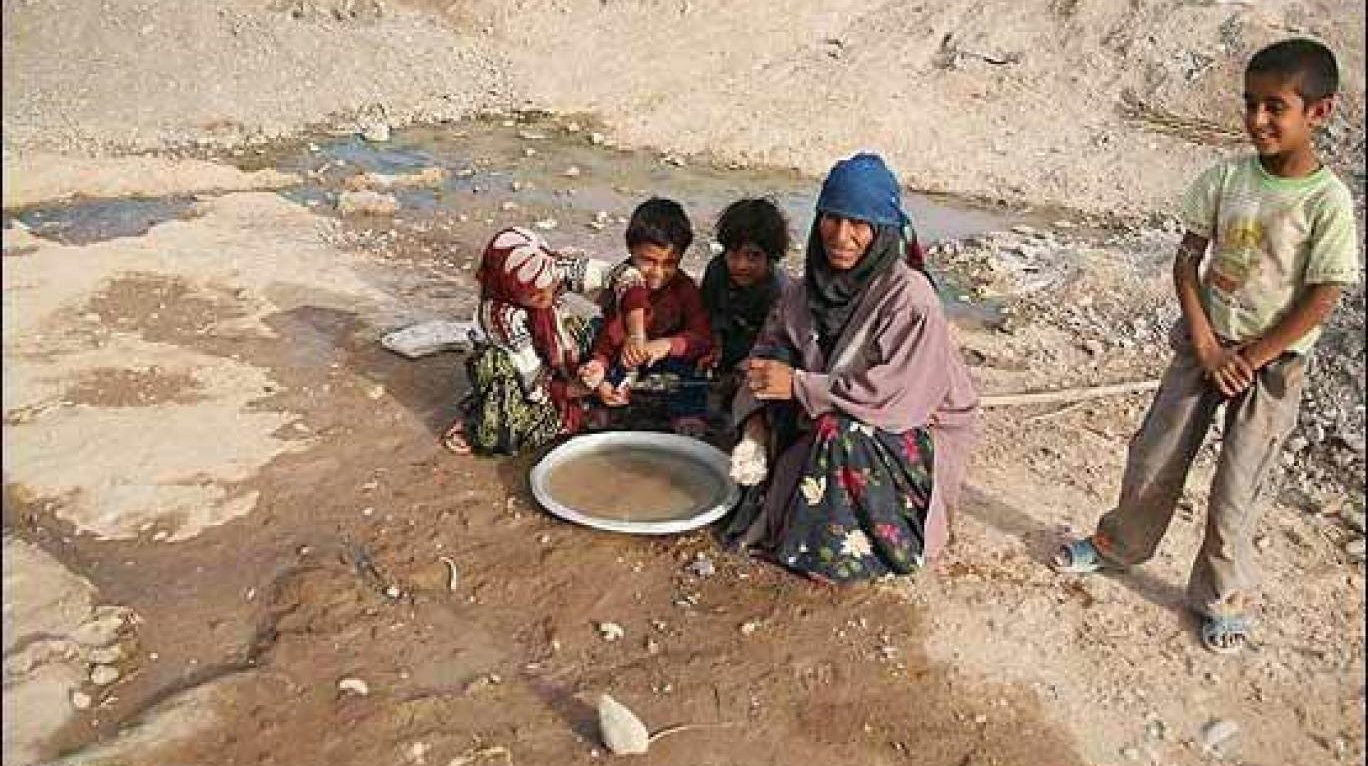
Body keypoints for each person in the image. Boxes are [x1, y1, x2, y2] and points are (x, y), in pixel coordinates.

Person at [1052, 39, 1360, 655]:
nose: (1258, 120)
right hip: (1204, 348)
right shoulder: (1225, 178)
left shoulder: (1328, 202)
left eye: (1276, 106)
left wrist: (1255, 356)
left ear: (1318, 114)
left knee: (1238, 487)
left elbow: (1324, 294)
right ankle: (1119, 545)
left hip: (1273, 365)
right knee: (1155, 456)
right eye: (1250, 104)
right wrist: (1204, 340)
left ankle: (1220, 598)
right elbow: (1188, 258)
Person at [724, 153, 981, 581]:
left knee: (843, 434)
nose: (841, 237)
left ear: (882, 232)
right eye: (833, 219)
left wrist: (802, 386)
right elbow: (773, 344)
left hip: (906, 430)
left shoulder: (910, 300)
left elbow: (897, 404)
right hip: (838, 406)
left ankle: (864, 548)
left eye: (858, 224)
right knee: (763, 384)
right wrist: (771, 378)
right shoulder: (806, 291)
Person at [442, 226, 638, 455]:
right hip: (522, 381)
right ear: (511, 288)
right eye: (535, 293)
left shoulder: (550, 269)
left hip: (552, 360)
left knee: (605, 326)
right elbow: (536, 386)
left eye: (550, 288)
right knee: (498, 423)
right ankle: (482, 420)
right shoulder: (502, 319)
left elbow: (622, 276)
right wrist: (588, 387)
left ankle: (595, 396)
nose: (547, 295)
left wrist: (634, 336)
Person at [579, 197, 714, 436]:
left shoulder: (684, 289)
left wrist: (665, 345)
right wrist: (600, 365)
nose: (658, 272)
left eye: (670, 263)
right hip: (625, 354)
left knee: (691, 373)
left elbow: (702, 336)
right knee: (595, 340)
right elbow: (610, 332)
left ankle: (686, 412)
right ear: (631, 250)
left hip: (667, 358)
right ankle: (606, 401)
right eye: (649, 261)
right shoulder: (620, 283)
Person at [698, 198, 791, 416]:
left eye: (753, 256)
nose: (741, 265)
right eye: (734, 254)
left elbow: (774, 346)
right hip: (722, 353)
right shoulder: (717, 270)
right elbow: (708, 314)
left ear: (771, 257)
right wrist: (714, 346)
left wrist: (739, 374)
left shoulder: (779, 291)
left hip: (758, 360)